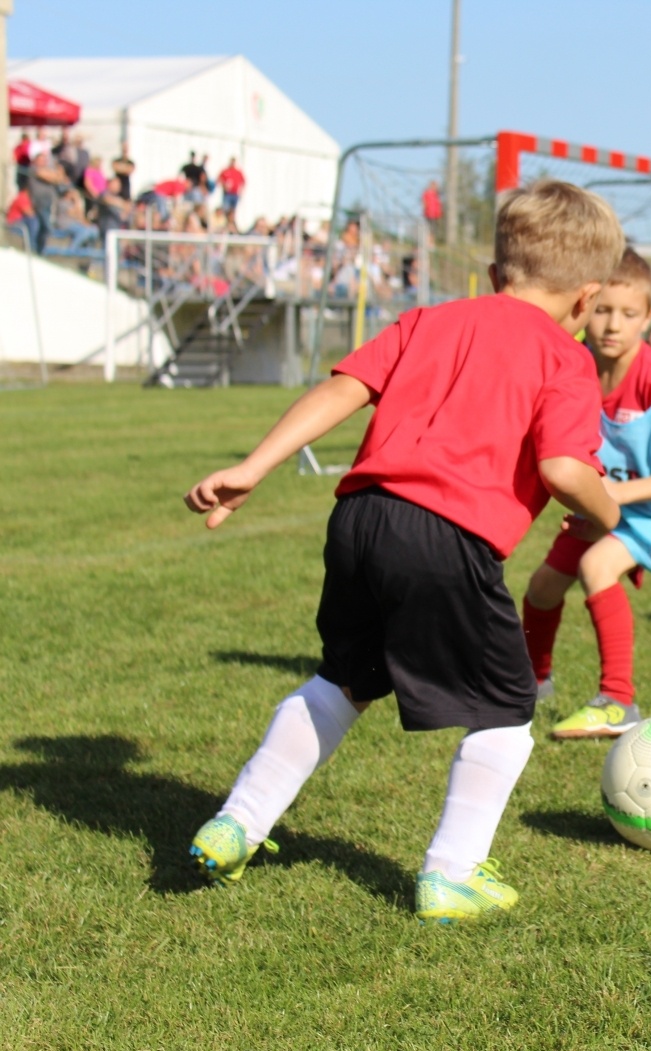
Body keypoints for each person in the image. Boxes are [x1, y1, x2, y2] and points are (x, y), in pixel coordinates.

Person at [181, 179, 626, 924]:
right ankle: (450, 873)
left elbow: (343, 389)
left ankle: (237, 823)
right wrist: (606, 513)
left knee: (344, 679)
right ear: (586, 300)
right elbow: (562, 470)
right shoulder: (566, 358)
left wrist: (252, 466)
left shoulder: (430, 317)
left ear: (494, 276)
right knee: (509, 706)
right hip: (447, 536)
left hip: (358, 518)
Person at [521, 249, 651, 739]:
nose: (612, 325)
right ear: (585, 304)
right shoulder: (577, 363)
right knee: (541, 588)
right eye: (603, 310)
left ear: (648, 318)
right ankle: (531, 683)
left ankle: (618, 701)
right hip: (608, 506)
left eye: (628, 314)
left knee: (595, 567)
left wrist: (608, 495)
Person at [218, 158, 246, 225]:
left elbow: (243, 182)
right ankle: (225, 223)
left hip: (235, 194)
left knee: (233, 210)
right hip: (228, 194)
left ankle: (232, 224)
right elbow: (219, 179)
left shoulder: (238, 171)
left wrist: (241, 191)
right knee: (226, 209)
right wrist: (224, 186)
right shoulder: (226, 170)